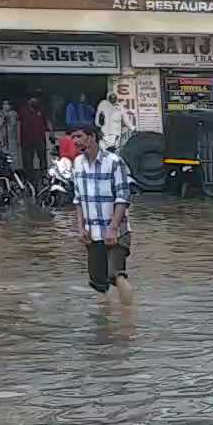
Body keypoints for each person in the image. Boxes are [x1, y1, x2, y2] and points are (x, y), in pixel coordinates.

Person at [69, 124, 132, 298]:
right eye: (73, 137)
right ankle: (106, 320)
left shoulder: (114, 162)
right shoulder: (77, 164)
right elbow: (79, 200)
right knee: (98, 282)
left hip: (117, 231)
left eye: (79, 136)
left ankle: (131, 321)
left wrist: (112, 228)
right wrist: (81, 229)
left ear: (92, 137)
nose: (75, 141)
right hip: (93, 233)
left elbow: (122, 198)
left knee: (116, 274)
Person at [18, 98, 49, 181]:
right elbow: (18, 124)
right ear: (28, 101)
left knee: (42, 159)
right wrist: (18, 140)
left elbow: (47, 122)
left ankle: (44, 177)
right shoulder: (23, 110)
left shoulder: (41, 110)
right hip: (26, 140)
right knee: (28, 162)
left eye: (36, 99)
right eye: (32, 99)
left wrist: (51, 133)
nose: (34, 100)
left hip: (40, 139)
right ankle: (30, 180)